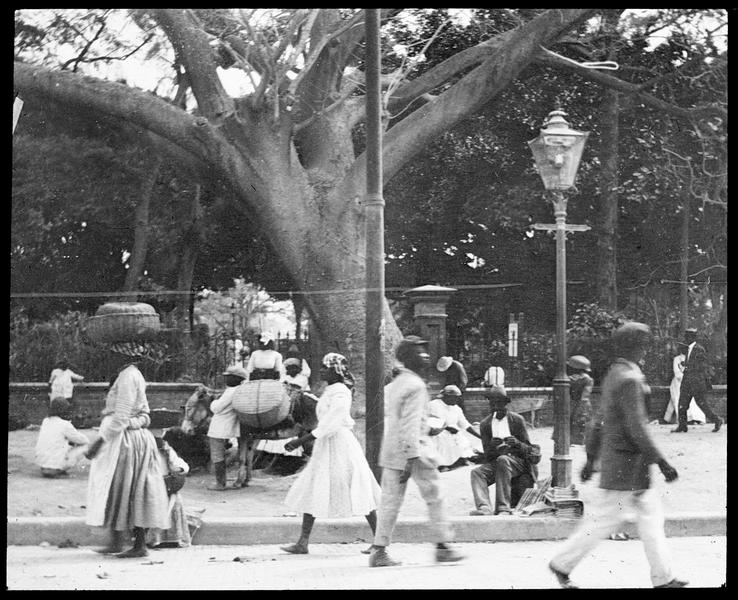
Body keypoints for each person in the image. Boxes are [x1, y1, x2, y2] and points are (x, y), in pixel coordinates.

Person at [548, 322, 687, 589]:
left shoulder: (615, 373)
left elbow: (599, 420)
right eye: (643, 344)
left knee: (646, 519)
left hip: (623, 463)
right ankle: (562, 563)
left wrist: (591, 458)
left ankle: (664, 577)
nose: (646, 349)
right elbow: (637, 427)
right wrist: (662, 462)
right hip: (628, 465)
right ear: (636, 346)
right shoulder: (630, 379)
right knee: (609, 520)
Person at [370, 336, 463, 568]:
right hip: (415, 451)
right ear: (408, 358)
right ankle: (443, 546)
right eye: (420, 352)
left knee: (389, 501)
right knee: (435, 497)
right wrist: (411, 457)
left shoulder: (396, 383)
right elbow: (410, 423)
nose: (426, 356)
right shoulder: (416, 385)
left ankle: (379, 550)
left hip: (393, 449)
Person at [280, 352, 381, 555]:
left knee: (356, 485)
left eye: (326, 368)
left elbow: (332, 422)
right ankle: (302, 542)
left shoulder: (341, 392)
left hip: (340, 444)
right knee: (314, 485)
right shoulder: (330, 390)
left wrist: (300, 440)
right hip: (326, 444)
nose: (322, 371)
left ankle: (379, 541)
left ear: (336, 371)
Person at [84, 341, 170, 558]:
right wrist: (136, 422)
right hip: (126, 437)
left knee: (130, 489)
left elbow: (122, 417)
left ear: (123, 357)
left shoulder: (128, 377)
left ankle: (138, 545)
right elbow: (144, 414)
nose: (109, 358)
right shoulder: (129, 375)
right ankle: (117, 541)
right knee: (120, 489)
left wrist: (99, 441)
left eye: (113, 354)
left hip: (125, 441)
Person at [469, 386, 540, 516]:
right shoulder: (486, 424)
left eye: (499, 403)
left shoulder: (516, 420)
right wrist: (492, 446)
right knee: (477, 473)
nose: (496, 407)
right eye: (493, 403)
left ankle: (503, 508)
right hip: (499, 461)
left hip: (517, 462)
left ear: (505, 403)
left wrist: (517, 443)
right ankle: (484, 507)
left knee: (503, 460)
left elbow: (529, 449)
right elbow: (488, 456)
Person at [146, 429, 193, 548]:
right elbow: (181, 466)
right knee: (174, 499)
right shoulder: (166, 449)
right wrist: (179, 470)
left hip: (151, 487)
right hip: (164, 486)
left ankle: (153, 538)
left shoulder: (144, 448)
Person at [206, 366, 247, 491]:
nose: (226, 379)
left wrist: (212, 401)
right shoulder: (240, 390)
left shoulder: (231, 392)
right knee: (221, 454)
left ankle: (220, 484)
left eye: (229, 377)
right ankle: (228, 480)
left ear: (237, 379)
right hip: (230, 425)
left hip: (220, 426)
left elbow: (216, 408)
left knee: (217, 455)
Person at [673, 328, 721, 433]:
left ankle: (717, 420)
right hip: (687, 382)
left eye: (687, 337)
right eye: (686, 336)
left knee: (702, 405)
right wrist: (686, 365)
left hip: (696, 383)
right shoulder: (689, 349)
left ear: (692, 337)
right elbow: (693, 364)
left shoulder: (699, 349)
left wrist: (687, 366)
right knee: (682, 404)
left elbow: (702, 366)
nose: (685, 339)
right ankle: (682, 426)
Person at [428, 385, 481, 470]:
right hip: (435, 433)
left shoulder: (456, 409)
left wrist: (480, 436)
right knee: (443, 438)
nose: (457, 400)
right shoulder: (433, 405)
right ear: (447, 396)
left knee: (461, 439)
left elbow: (465, 424)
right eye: (455, 398)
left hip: (453, 433)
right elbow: (432, 422)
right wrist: (447, 428)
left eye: (458, 398)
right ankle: (441, 464)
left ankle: (459, 460)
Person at [34, 397, 89, 478]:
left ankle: (53, 467)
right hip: (55, 468)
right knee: (86, 446)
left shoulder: (45, 421)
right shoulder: (65, 424)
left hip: (43, 467)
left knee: (63, 444)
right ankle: (58, 469)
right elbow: (84, 440)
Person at [664, 344, 706, 425]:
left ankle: (695, 417)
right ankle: (685, 419)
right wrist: (685, 377)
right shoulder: (677, 359)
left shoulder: (690, 358)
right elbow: (676, 372)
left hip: (689, 381)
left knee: (692, 400)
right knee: (678, 399)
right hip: (678, 382)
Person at [567, 355, 594, 446]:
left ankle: (570, 439)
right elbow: (586, 394)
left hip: (571, 403)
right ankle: (581, 440)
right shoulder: (588, 379)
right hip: (583, 403)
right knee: (583, 421)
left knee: (570, 421)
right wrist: (582, 405)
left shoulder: (568, 379)